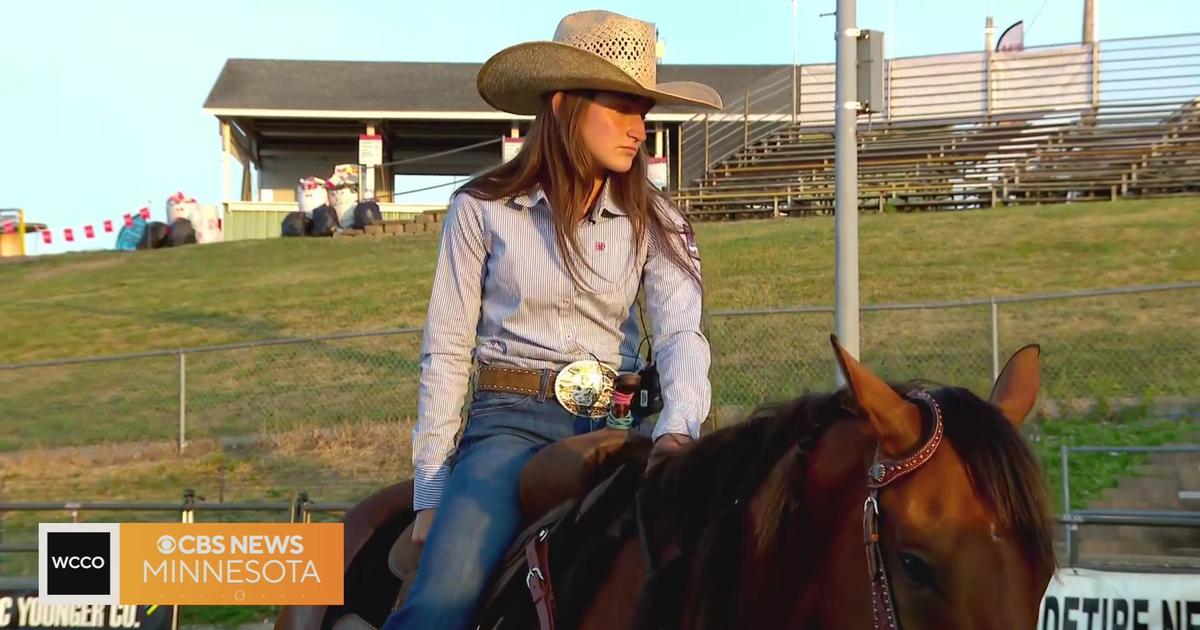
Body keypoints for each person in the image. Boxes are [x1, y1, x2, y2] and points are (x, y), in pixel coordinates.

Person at [382, 10, 721, 630]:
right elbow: (447, 351)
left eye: (643, 111)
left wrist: (678, 433)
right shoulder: (482, 210)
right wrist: (430, 492)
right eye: (621, 106)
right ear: (564, 105)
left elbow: (680, 335)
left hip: (623, 425)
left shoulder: (661, 223)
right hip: (510, 428)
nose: (638, 129)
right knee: (442, 604)